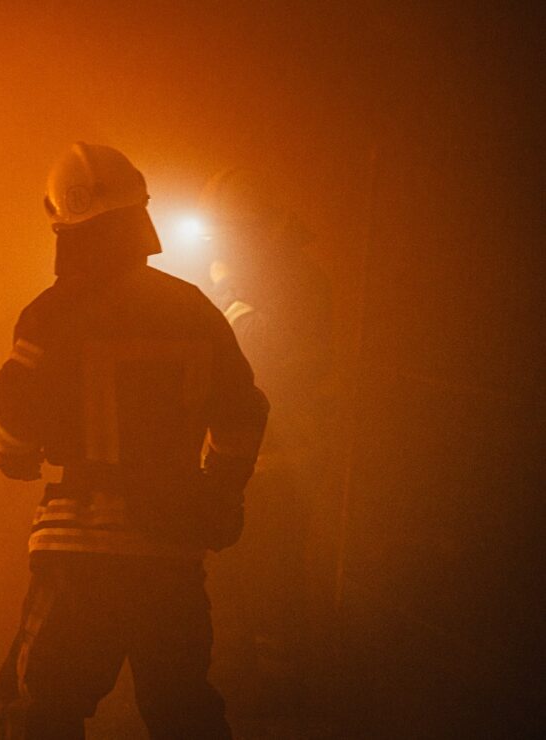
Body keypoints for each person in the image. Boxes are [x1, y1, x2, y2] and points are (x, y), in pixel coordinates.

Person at [0, 142, 269, 739]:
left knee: (38, 706)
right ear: (139, 214)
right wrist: (216, 490)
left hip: (79, 556)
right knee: (184, 711)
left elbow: (11, 436)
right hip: (172, 555)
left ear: (63, 222)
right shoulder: (193, 308)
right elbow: (243, 417)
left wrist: (13, 452)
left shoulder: (49, 315)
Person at [198, 167, 335, 706]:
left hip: (283, 456)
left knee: (272, 574)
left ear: (252, 228)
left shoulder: (296, 283)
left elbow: (266, 360)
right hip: (249, 454)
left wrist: (229, 299)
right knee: (234, 572)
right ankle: (240, 674)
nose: (221, 244)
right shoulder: (258, 277)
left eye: (227, 231)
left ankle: (280, 688)